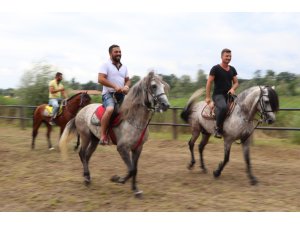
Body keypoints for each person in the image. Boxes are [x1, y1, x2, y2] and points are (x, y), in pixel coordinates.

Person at [98, 44, 131, 145]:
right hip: (108, 95)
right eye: (116, 52)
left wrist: (126, 86)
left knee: (133, 108)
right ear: (110, 53)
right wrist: (114, 86)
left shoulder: (124, 67)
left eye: (120, 52)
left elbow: (128, 80)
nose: (118, 54)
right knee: (110, 109)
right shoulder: (105, 65)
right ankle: (103, 135)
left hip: (121, 95)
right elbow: (100, 79)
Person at [205, 48, 239, 138]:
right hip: (218, 95)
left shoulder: (232, 69)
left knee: (241, 105)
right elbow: (209, 83)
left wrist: (232, 89)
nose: (229, 58)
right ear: (221, 57)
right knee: (223, 107)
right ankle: (217, 129)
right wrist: (207, 97)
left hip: (229, 95)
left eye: (230, 56)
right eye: (226, 56)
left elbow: (236, 83)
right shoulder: (215, 68)